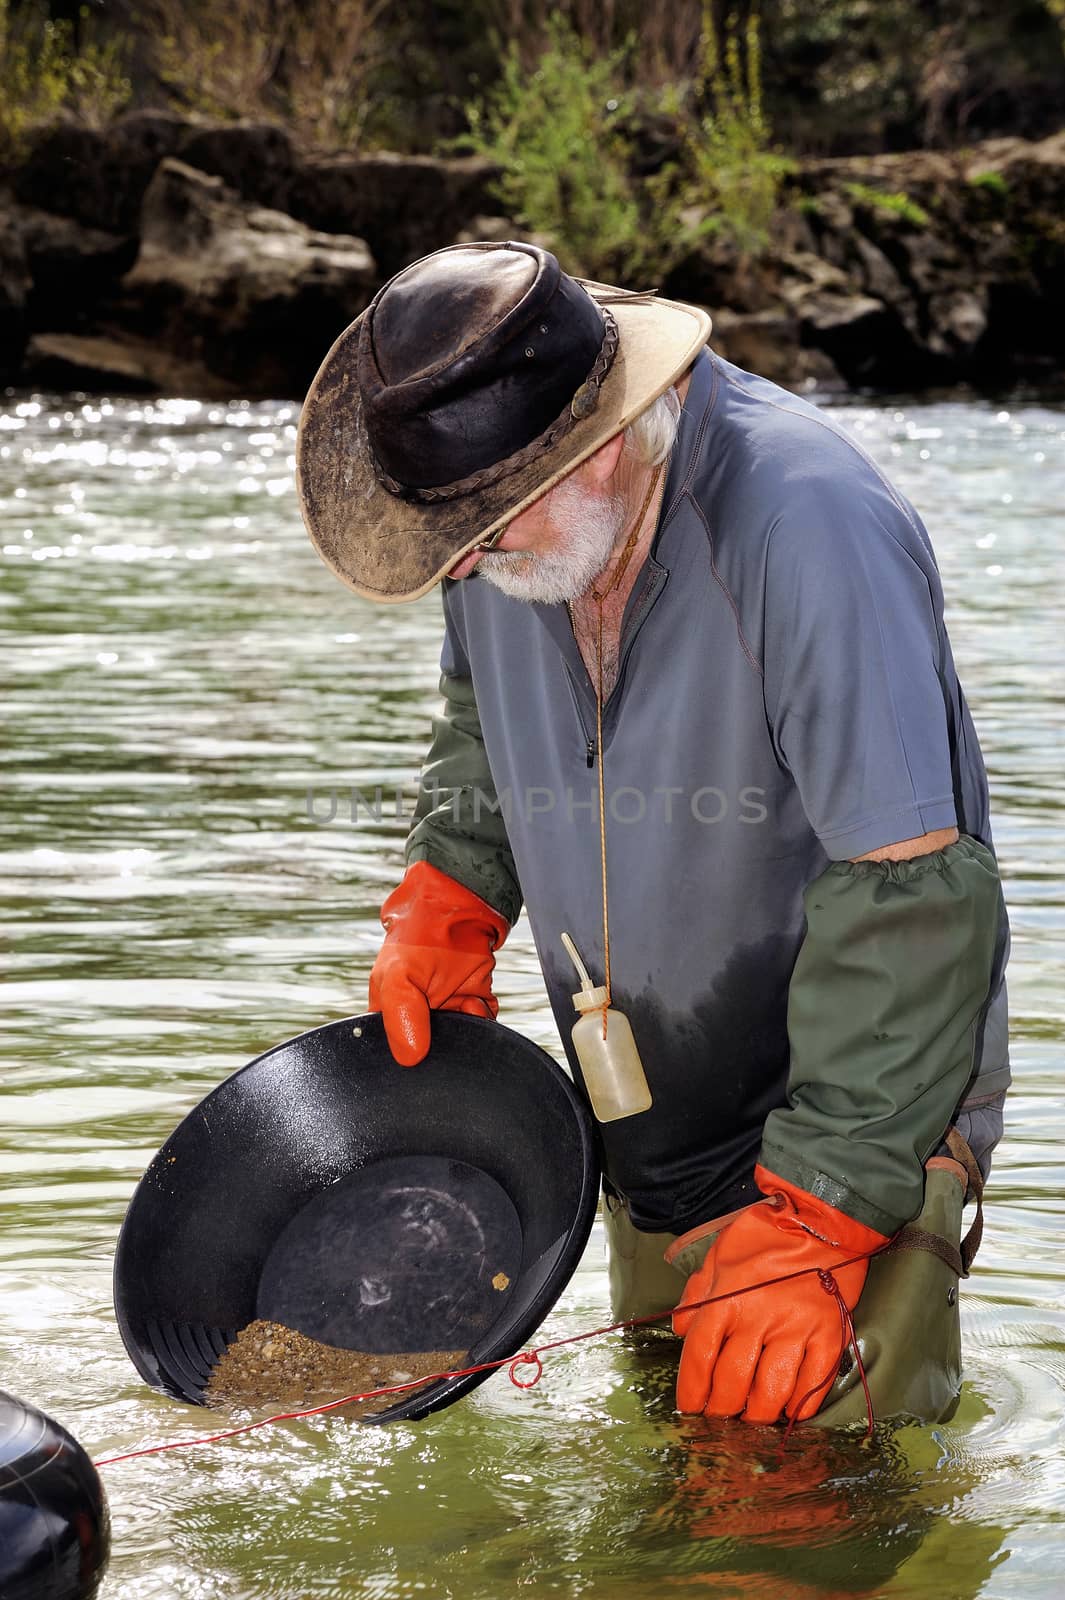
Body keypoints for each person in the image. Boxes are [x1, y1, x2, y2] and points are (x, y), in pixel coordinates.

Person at [296, 241, 1009, 1427]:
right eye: (445, 535)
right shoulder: (499, 531)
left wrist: (818, 1217)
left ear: (609, 432)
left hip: (860, 1129)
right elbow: (481, 717)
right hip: (650, 1134)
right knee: (658, 1507)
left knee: (789, 1534)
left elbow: (918, 902)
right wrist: (446, 904)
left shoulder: (807, 526)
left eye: (483, 530)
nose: (461, 564)